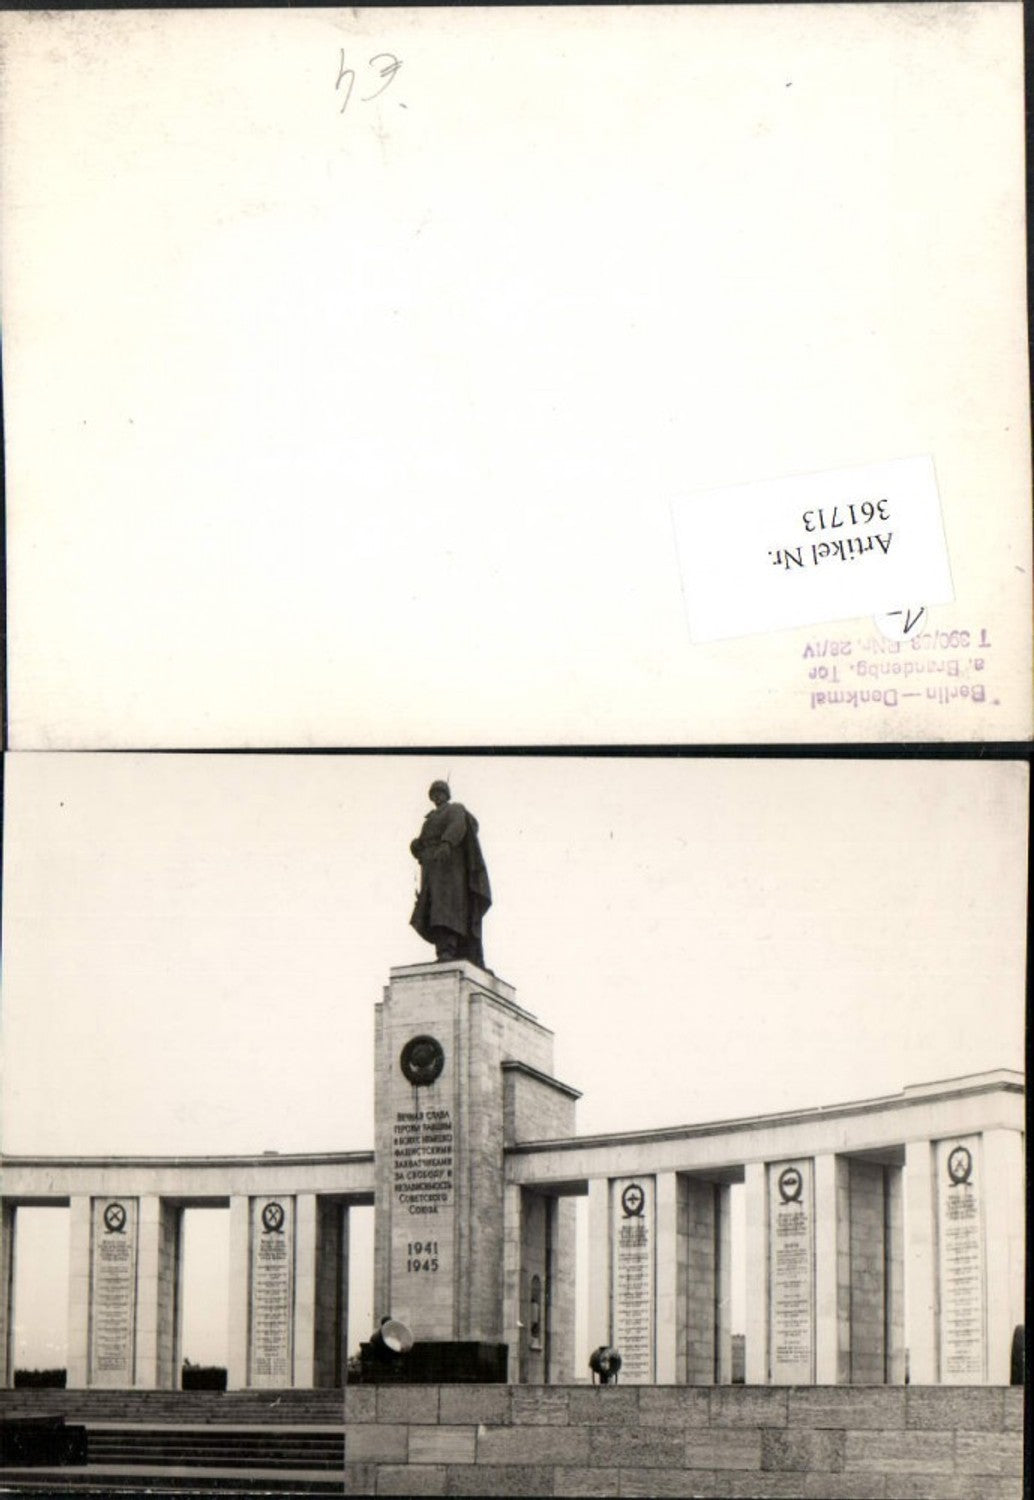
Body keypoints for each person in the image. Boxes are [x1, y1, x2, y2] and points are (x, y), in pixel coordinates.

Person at [409, 782, 491, 965]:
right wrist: (416, 846)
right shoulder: (429, 820)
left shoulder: (455, 809)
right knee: (433, 910)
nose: (437, 797)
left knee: (446, 910)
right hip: (431, 871)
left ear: (447, 795)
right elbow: (423, 843)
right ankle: (443, 950)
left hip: (449, 871)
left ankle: (448, 949)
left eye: (440, 793)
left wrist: (446, 843)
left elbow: (457, 826)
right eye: (434, 794)